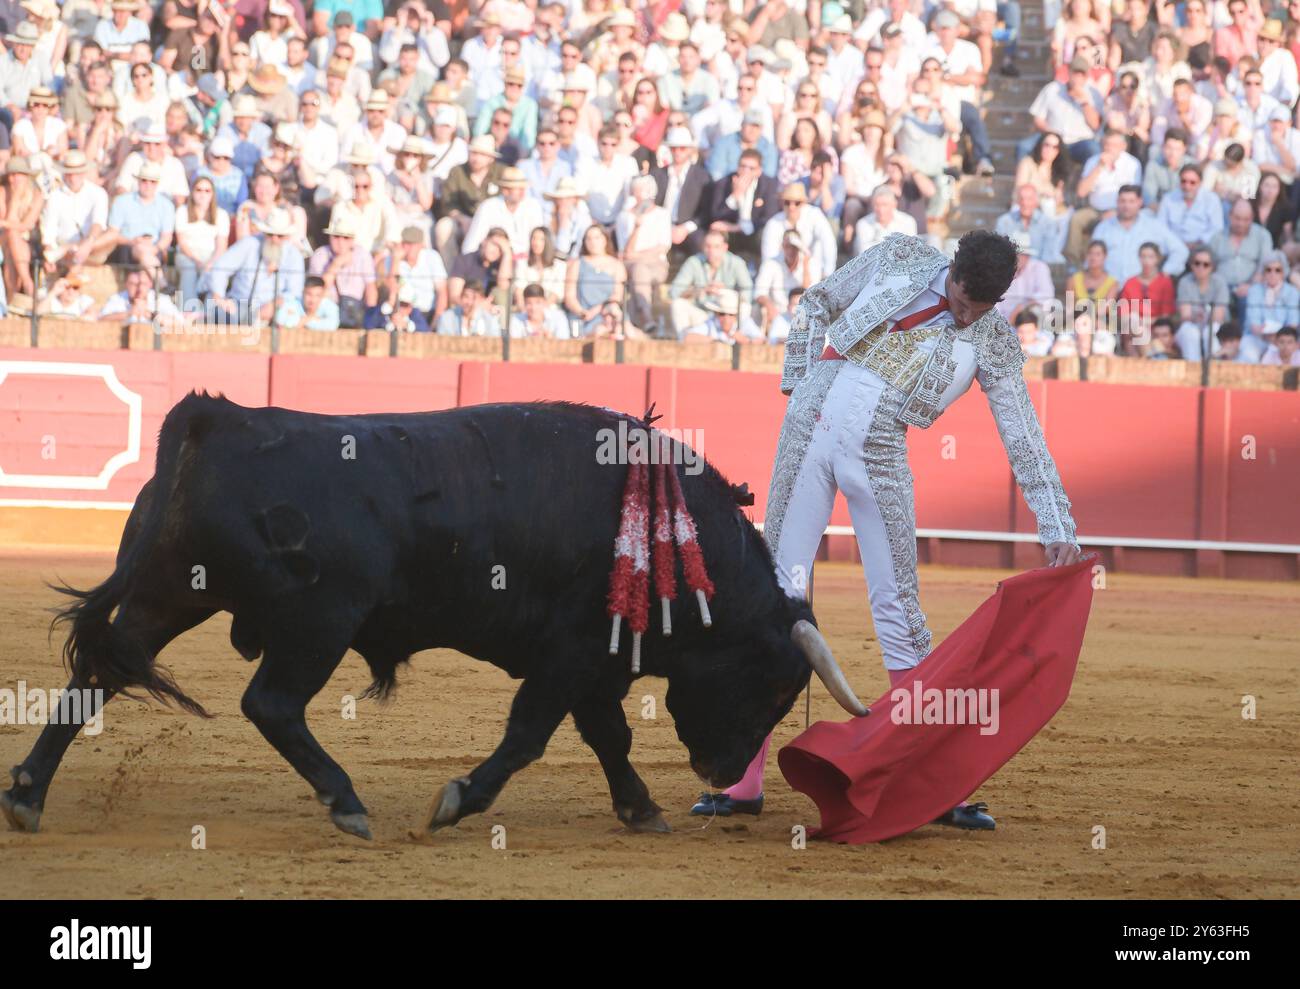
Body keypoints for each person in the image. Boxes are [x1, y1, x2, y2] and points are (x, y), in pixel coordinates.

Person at [690, 231, 1081, 824]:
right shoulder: (900, 255)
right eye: (960, 299)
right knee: (772, 594)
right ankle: (743, 782)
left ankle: (931, 785)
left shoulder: (993, 340)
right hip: (809, 429)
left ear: (999, 302)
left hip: (879, 452)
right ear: (951, 271)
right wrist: (799, 384)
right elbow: (817, 300)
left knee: (899, 606)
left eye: (979, 310)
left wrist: (1056, 521)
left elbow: (1022, 434)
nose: (963, 314)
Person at [669, 228, 753, 340]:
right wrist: (701, 291)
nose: (711, 250)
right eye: (708, 246)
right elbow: (674, 292)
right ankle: (685, 343)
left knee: (745, 307)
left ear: (725, 247)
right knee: (678, 304)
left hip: (726, 317)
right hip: (702, 314)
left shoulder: (736, 263)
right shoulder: (694, 262)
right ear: (703, 247)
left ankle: (733, 341)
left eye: (716, 246)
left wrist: (726, 293)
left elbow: (748, 294)